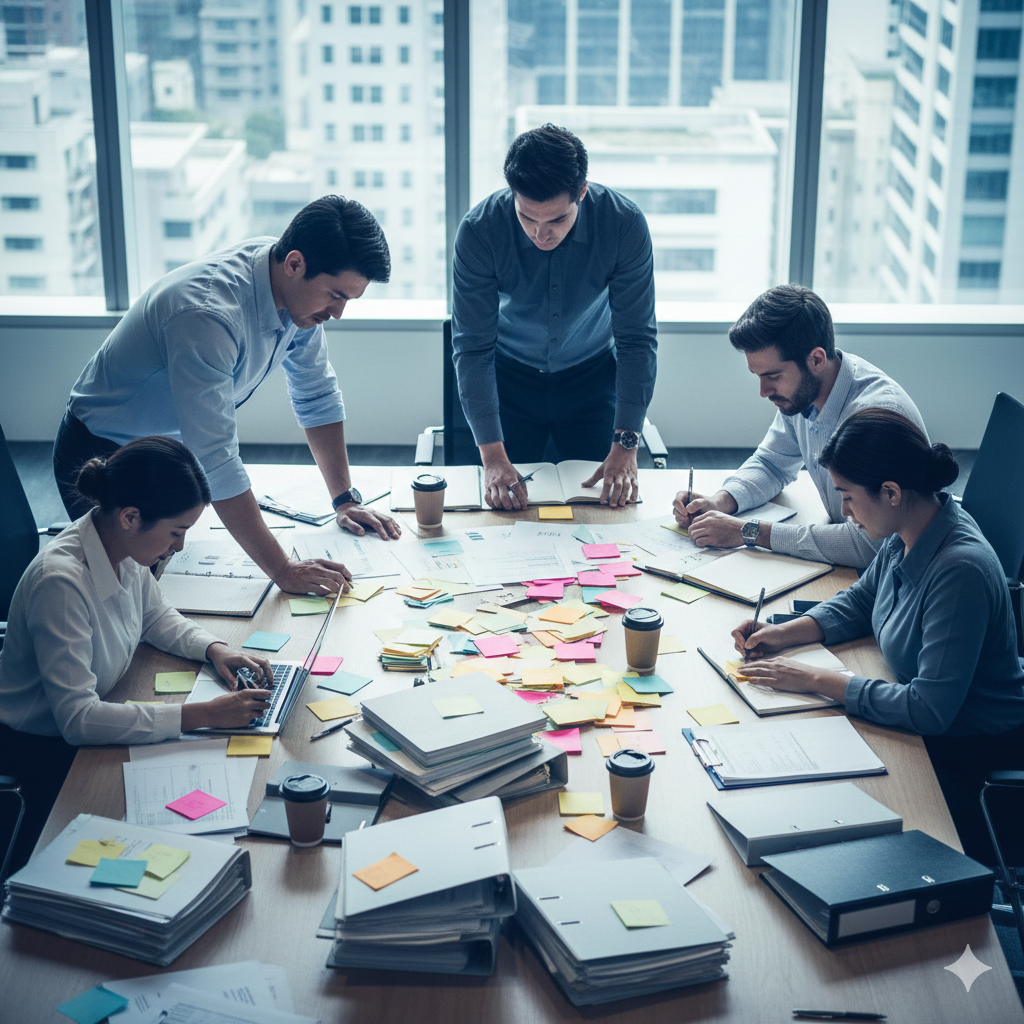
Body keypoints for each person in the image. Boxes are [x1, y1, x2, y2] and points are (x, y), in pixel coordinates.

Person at [54, 196, 401, 598]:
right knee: (130, 598)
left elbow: (316, 393)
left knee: (174, 585)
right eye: (335, 295)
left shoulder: (292, 291)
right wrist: (283, 570)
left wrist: (344, 500)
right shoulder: (206, 315)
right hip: (106, 452)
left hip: (170, 449)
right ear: (294, 264)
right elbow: (217, 460)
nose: (338, 313)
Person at [730, 409, 1024, 863]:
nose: (845, 512)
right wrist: (783, 633)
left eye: (848, 497)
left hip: (968, 750)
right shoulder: (910, 525)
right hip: (924, 722)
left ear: (890, 492)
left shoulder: (959, 570)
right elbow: (863, 600)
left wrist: (814, 679)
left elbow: (928, 710)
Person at [0, 436, 275, 874]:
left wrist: (215, 649)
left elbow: (155, 616)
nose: (179, 547)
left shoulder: (120, 544)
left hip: (104, 703)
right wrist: (203, 715)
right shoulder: (61, 584)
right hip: (42, 746)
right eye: (176, 532)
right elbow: (78, 720)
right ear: (130, 517)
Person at [452, 124, 657, 511]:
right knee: (503, 508)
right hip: (508, 380)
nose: (540, 234)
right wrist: (492, 458)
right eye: (527, 218)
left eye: (557, 221)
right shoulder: (480, 230)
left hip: (591, 379)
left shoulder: (623, 224)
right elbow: (473, 348)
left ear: (582, 192)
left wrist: (627, 444)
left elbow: (636, 340)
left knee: (601, 505)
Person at [672, 285, 925, 569]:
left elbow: (869, 546)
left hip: (892, 576)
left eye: (773, 376)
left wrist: (749, 532)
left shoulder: (875, 418)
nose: (763, 392)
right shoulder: (803, 394)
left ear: (816, 360)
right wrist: (720, 501)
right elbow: (772, 464)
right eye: (757, 376)